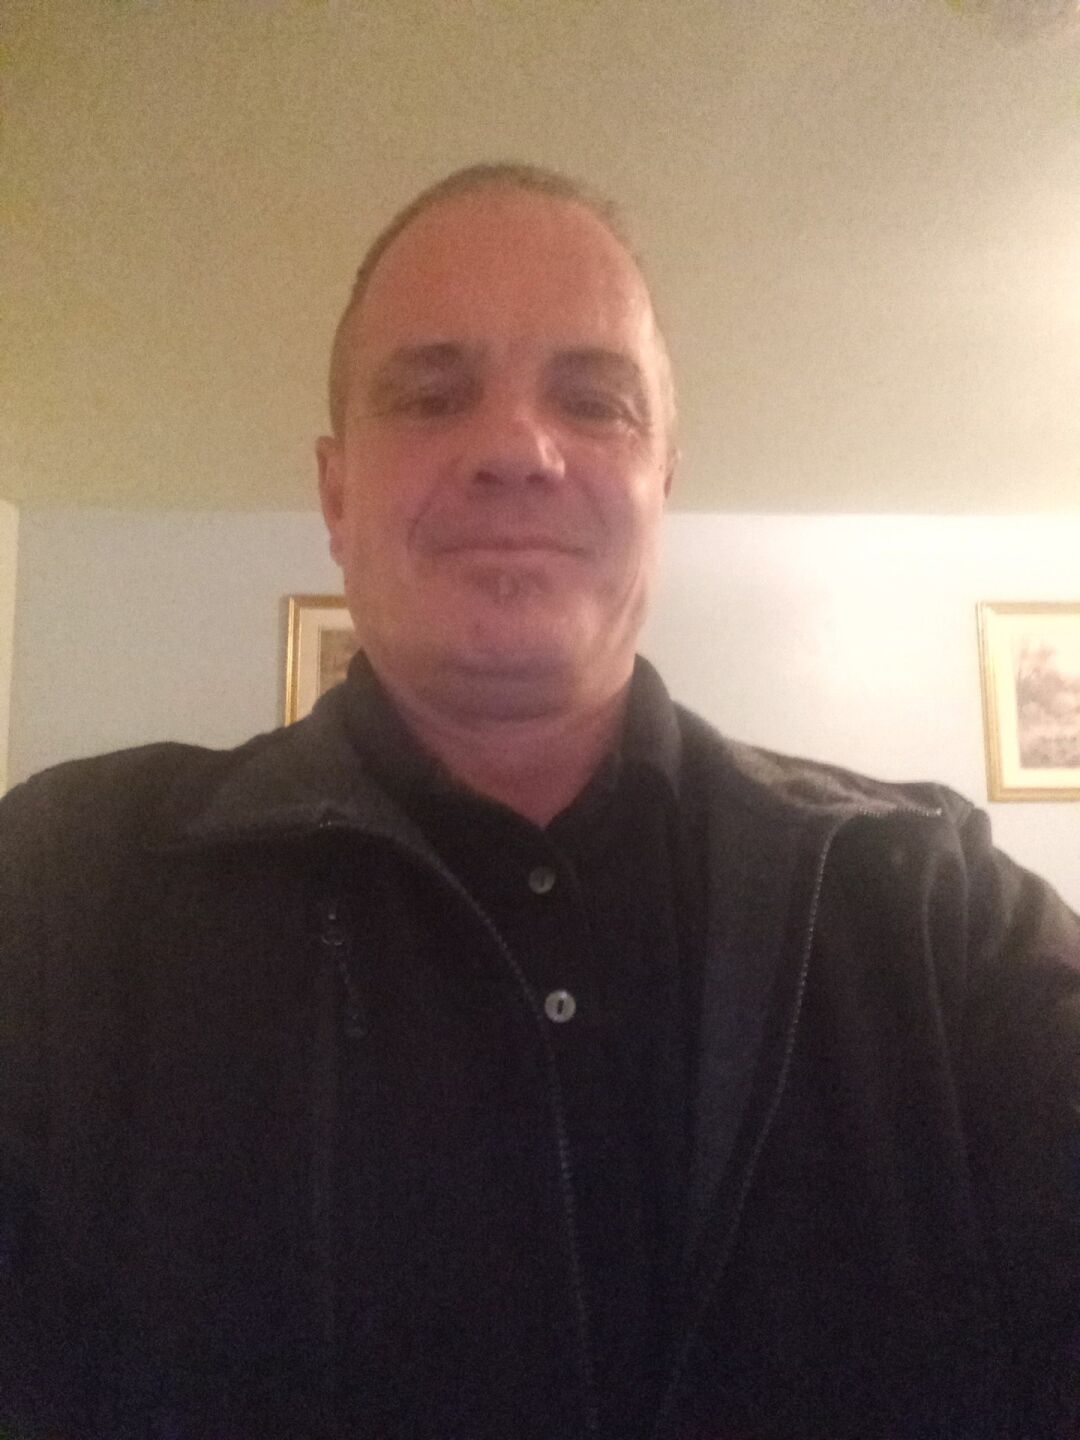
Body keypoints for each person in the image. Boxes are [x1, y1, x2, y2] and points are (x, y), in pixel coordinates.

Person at [1, 162, 1078, 1440]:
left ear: (662, 485)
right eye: (430, 394)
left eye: (594, 400)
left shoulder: (937, 907)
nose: (516, 448)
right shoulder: (58, 893)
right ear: (336, 495)